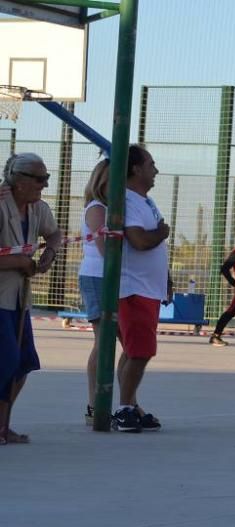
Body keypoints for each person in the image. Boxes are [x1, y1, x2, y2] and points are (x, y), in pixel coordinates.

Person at [0, 153, 62, 444]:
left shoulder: (38, 209)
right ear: (19, 180)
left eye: (47, 178)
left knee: (23, 361)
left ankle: (2, 425)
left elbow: (54, 235)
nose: (44, 185)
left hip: (19, 299)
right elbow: (15, 259)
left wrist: (49, 254)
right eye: (40, 179)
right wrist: (19, 263)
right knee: (7, 360)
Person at [113, 145, 172, 432]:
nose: (155, 170)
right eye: (151, 164)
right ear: (135, 169)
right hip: (133, 287)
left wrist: (166, 279)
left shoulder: (145, 200)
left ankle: (131, 405)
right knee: (140, 351)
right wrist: (162, 233)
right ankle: (124, 407)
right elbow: (138, 240)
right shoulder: (128, 200)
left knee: (133, 350)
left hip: (148, 288)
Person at [77, 159, 109, 426]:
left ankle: (120, 401)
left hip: (110, 277)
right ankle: (94, 403)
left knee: (113, 341)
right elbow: (104, 248)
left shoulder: (111, 207)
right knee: (103, 341)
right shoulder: (98, 208)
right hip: (98, 276)